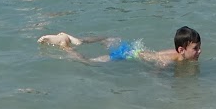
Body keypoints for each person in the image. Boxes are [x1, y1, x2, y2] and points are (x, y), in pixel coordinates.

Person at [37, 26, 202, 67]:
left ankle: (79, 41)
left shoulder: (174, 52)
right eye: (195, 49)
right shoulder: (173, 61)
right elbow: (159, 68)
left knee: (109, 38)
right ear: (181, 50)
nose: (199, 51)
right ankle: (65, 46)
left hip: (131, 48)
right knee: (89, 62)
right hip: (126, 55)